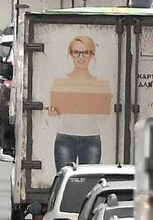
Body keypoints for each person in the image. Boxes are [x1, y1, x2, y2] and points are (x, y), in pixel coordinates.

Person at [45, 35, 112, 170]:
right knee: (65, 182)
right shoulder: (60, 82)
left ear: (92, 55)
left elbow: (104, 116)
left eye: (85, 52)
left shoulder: (101, 85)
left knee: (88, 186)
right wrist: (53, 113)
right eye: (76, 52)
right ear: (70, 54)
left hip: (91, 139)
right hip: (65, 137)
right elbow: (52, 114)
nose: (81, 57)